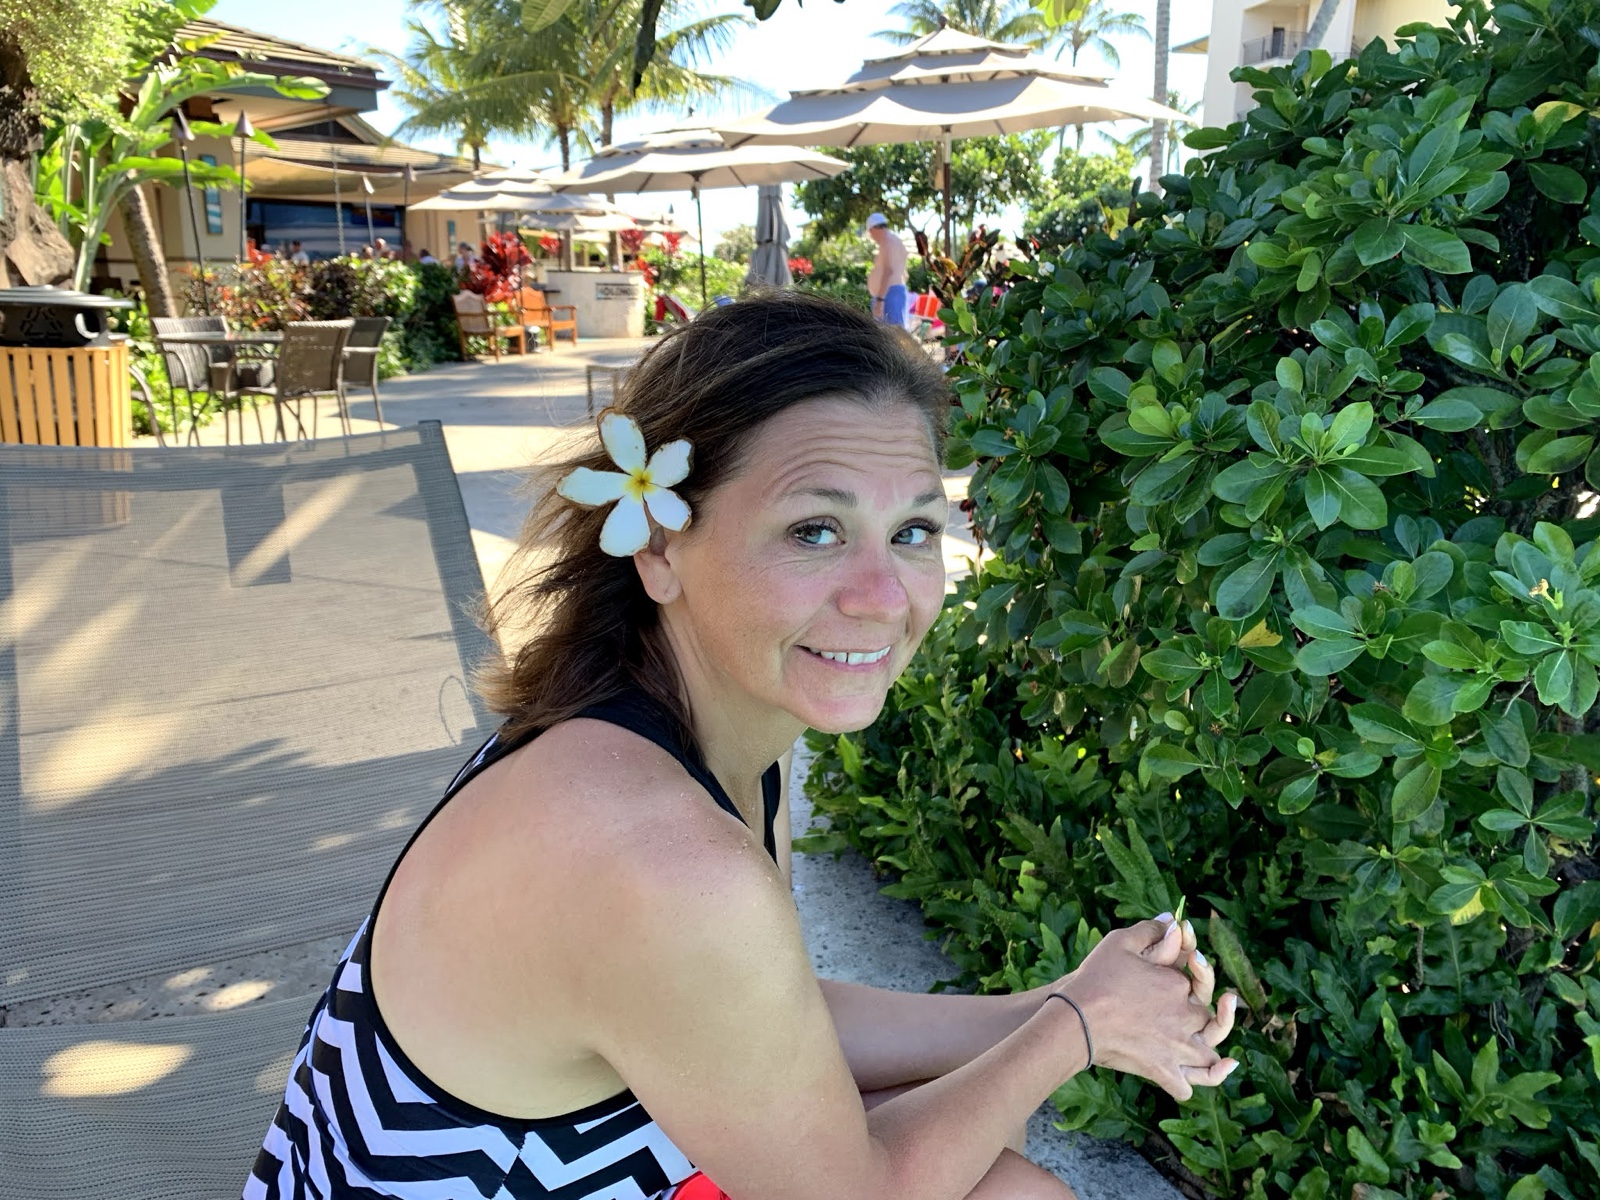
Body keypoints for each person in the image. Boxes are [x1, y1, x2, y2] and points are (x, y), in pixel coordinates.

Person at [244, 292, 1237, 1200]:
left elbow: (768, 1015)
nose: (882, 598)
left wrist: (1056, 999)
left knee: (990, 1159)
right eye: (814, 531)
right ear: (658, 547)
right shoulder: (662, 862)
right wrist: (1077, 1030)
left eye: (913, 532)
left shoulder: (685, 726)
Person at [866, 211, 909, 328]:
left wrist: (880, 300)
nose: (871, 236)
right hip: (894, 292)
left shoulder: (887, 241)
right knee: (894, 332)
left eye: (870, 232)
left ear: (874, 228)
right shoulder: (896, 241)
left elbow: (888, 271)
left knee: (892, 334)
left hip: (889, 294)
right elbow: (904, 273)